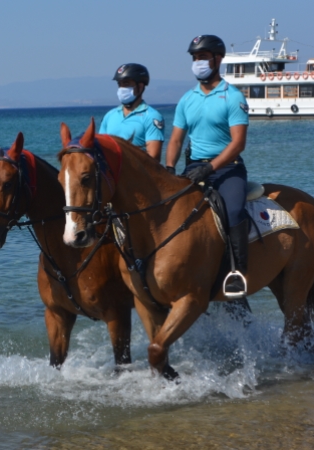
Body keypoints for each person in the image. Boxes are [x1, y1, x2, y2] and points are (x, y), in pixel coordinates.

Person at [165, 35, 250, 297]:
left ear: (218, 59)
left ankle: (236, 273)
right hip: (193, 168)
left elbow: (238, 143)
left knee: (233, 211)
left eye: (202, 57)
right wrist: (169, 168)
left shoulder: (232, 97)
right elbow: (177, 139)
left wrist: (211, 167)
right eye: (195, 58)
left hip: (227, 169)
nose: (198, 62)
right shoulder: (187, 99)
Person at [99, 63, 165, 160]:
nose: (122, 89)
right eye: (119, 84)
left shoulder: (152, 116)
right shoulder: (109, 115)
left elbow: (153, 158)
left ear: (140, 87)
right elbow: (101, 149)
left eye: (126, 84)